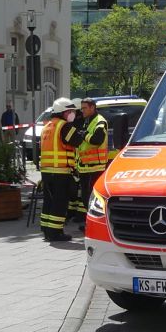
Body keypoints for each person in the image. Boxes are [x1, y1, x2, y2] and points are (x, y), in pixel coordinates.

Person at [38, 97, 82, 241]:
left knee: (48, 201)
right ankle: (55, 233)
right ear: (62, 112)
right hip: (61, 172)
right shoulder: (64, 126)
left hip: (46, 171)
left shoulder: (47, 126)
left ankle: (46, 229)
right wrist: (77, 127)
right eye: (70, 111)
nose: (72, 114)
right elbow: (77, 140)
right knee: (60, 203)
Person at [72, 97, 110, 225]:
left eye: (84, 108)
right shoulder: (87, 121)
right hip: (85, 167)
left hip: (96, 167)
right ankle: (90, 223)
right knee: (85, 197)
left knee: (94, 197)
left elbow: (97, 140)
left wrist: (84, 135)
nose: (82, 110)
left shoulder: (100, 121)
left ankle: (95, 223)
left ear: (92, 107)